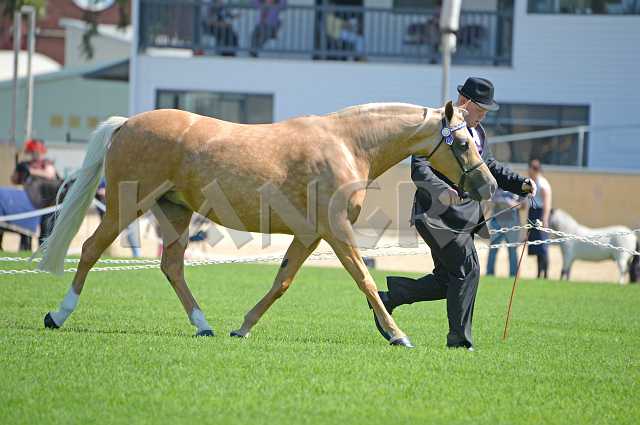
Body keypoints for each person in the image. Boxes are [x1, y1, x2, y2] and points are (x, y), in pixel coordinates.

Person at [370, 77, 537, 351]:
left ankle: (388, 299)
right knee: (468, 270)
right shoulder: (438, 128)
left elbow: (490, 167)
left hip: (464, 219)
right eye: (480, 109)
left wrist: (521, 184)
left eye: (486, 111)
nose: (483, 116)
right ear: (464, 102)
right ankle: (459, 341)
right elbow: (419, 169)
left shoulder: (478, 133)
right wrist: (442, 190)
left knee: (447, 279)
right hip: (436, 218)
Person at [486, 188, 522, 277]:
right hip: (496, 222)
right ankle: (489, 274)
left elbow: (523, 205)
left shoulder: (518, 186)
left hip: (513, 223)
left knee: (512, 250)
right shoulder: (496, 186)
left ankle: (513, 275)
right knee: (493, 248)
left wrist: (511, 203)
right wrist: (500, 200)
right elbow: (489, 201)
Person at [526, 159, 552, 279]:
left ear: (534, 169)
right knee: (536, 247)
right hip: (533, 212)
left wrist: (545, 219)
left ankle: (545, 273)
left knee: (543, 246)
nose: (528, 170)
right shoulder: (532, 182)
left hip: (540, 213)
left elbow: (547, 202)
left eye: (530, 168)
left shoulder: (542, 183)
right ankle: (538, 273)